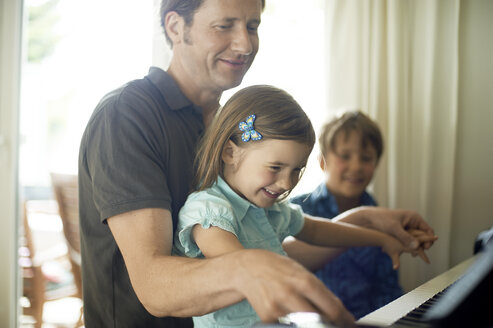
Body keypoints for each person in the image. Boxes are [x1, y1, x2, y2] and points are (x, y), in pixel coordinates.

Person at [78, 0, 437, 327]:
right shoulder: (128, 115)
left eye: (252, 26)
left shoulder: (233, 130)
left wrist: (363, 224)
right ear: (175, 27)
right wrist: (257, 269)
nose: (245, 45)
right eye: (225, 25)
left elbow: (267, 254)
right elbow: (156, 287)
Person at [172, 85, 429, 327]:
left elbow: (318, 232)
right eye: (275, 168)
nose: (286, 183)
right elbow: (242, 265)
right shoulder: (209, 210)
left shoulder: (270, 207)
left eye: (296, 170)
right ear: (230, 153)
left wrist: (380, 239)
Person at [291, 111, 408, 319]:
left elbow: (387, 289)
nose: (356, 167)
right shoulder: (296, 210)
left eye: (366, 158)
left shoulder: (380, 216)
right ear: (322, 161)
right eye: (345, 156)